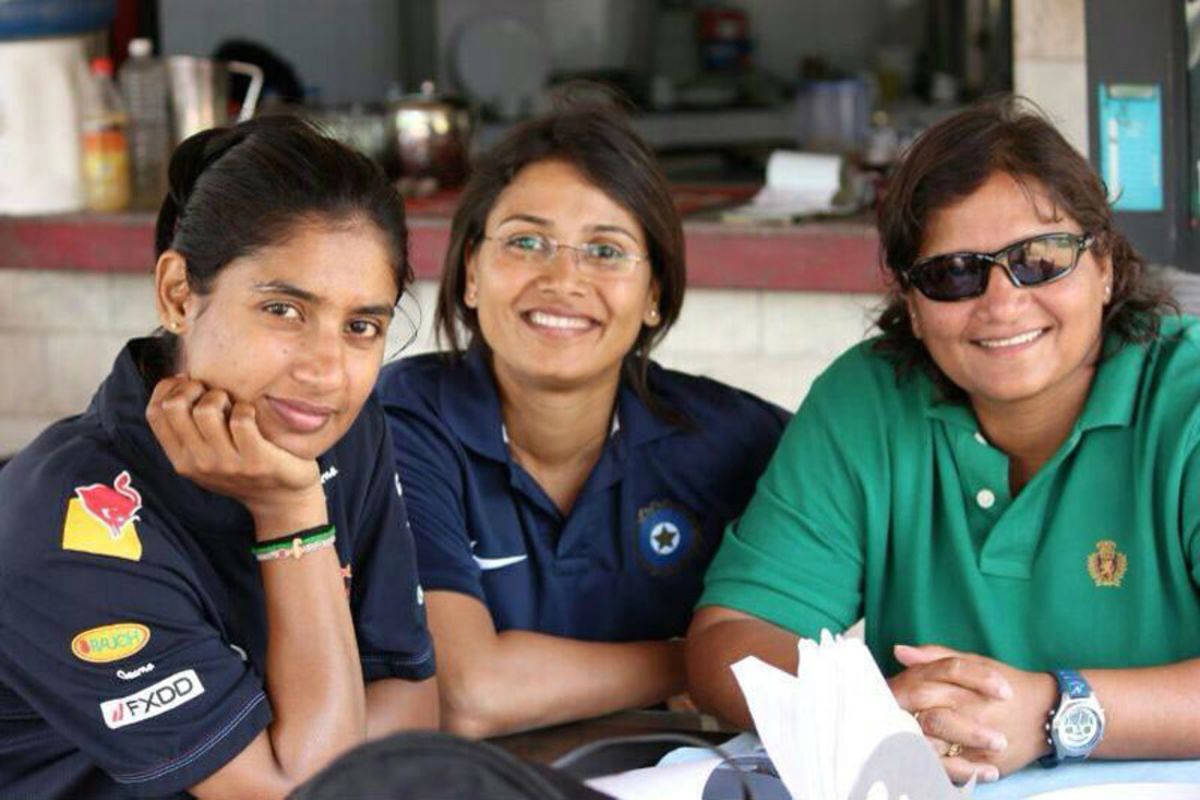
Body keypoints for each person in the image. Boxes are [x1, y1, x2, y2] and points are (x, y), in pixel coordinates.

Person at [686, 96, 1199, 785]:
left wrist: (1055, 711)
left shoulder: (1186, 396)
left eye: (1041, 260)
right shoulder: (866, 401)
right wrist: (860, 715)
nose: (1002, 301)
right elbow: (731, 638)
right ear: (912, 305)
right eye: (954, 273)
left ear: (1104, 265)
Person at [0, 116, 436, 799]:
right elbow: (308, 793)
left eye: (361, 327)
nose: (326, 370)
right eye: (284, 310)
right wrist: (291, 514)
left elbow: (412, 702)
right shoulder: (65, 519)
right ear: (178, 293)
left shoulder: (342, 431)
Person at [375, 100, 788, 738]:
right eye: (525, 242)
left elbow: (868, 528)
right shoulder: (404, 424)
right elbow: (466, 694)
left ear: (654, 295)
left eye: (606, 250)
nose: (563, 277)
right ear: (471, 274)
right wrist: (699, 662)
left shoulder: (733, 438)